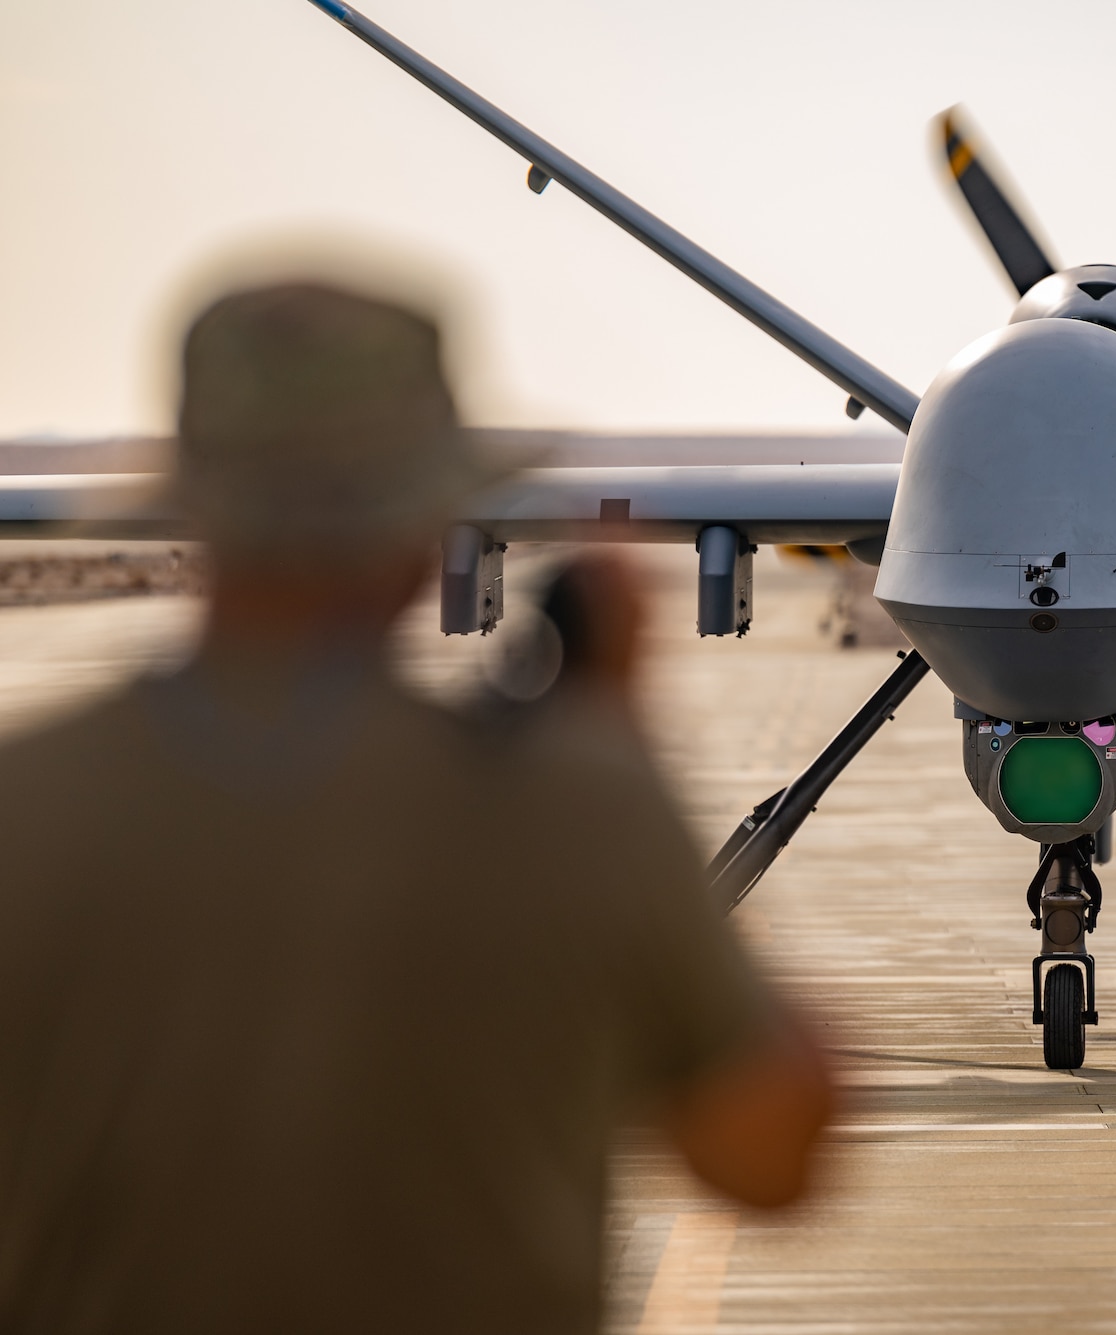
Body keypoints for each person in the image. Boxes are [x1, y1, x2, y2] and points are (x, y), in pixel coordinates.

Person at [0, 282, 832, 1334]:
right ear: (420, 525)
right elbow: (769, 1154)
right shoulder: (575, 817)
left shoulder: (23, 807)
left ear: (192, 510)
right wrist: (620, 750)